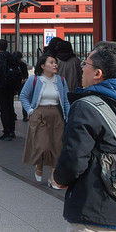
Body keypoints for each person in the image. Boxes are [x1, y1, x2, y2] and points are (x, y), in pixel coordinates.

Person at [53, 42, 116, 232]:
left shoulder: (86, 106)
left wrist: (59, 178)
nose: (82, 69)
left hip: (95, 209)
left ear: (98, 73)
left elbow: (74, 158)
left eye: (86, 64)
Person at [20, 54, 70, 187]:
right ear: (43, 66)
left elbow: (65, 100)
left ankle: (53, 178)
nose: (55, 65)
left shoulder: (61, 80)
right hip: (39, 113)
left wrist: (68, 116)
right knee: (41, 145)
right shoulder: (34, 79)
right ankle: (39, 166)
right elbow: (23, 96)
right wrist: (30, 111)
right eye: (51, 62)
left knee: (57, 147)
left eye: (55, 62)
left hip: (57, 114)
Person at [0, 39, 19, 140]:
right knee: (10, 107)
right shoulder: (12, 58)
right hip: (11, 86)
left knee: (3, 109)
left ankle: (6, 131)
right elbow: (17, 73)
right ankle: (12, 131)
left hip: (0, 86)